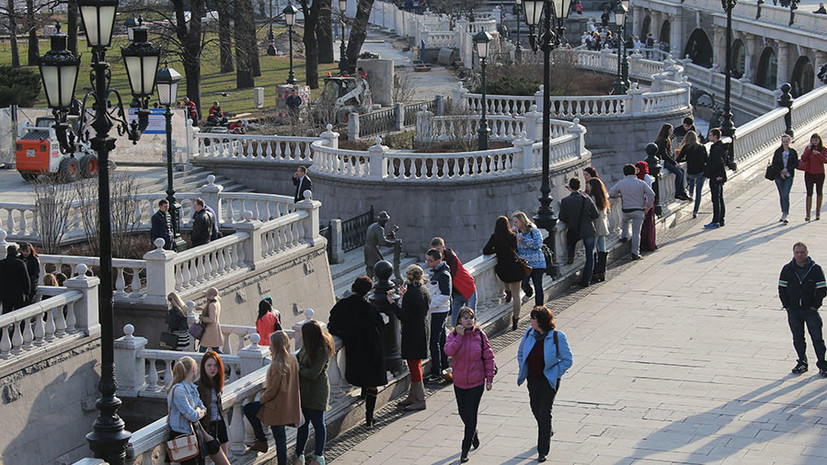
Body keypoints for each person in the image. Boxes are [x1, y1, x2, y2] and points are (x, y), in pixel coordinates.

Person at [327, 276, 388, 427]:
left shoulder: (342, 305)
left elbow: (332, 325)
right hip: (371, 349)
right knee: (372, 382)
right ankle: (369, 417)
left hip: (354, 348)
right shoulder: (370, 309)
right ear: (367, 292)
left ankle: (363, 395)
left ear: (353, 288)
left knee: (359, 374)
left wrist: (345, 334)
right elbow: (380, 328)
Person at [517, 306, 573, 463]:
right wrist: (523, 366)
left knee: (544, 411)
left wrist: (555, 372)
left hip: (549, 380)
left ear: (541, 321)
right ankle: (547, 429)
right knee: (535, 407)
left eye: (533, 318)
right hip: (533, 378)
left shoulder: (557, 337)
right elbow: (521, 353)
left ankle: (542, 450)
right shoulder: (529, 333)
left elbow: (567, 360)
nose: (530, 321)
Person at [443, 307, 495, 463]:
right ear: (459, 320)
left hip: (476, 382)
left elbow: (489, 357)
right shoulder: (453, 335)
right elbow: (448, 351)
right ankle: (474, 432)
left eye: (471, 318)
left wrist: (489, 379)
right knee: (462, 412)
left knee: (471, 415)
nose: (469, 320)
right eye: (465, 318)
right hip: (459, 382)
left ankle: (464, 449)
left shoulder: (480, 335)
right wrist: (459, 337)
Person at [242, 331, 301, 462]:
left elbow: (272, 391)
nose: (269, 347)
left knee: (248, 409)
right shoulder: (292, 360)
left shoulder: (277, 365)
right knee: (281, 440)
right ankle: (262, 442)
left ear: (276, 346)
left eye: (271, 345)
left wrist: (261, 400)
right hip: (287, 405)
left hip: (275, 408)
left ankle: (262, 440)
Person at [779, 242, 827, 376]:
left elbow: (822, 289)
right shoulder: (787, 269)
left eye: (802, 252)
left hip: (811, 311)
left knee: (817, 338)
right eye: (797, 252)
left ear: (807, 253)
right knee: (798, 338)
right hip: (794, 311)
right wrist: (787, 306)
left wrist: (815, 306)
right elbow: (782, 289)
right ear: (793, 253)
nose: (799, 255)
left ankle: (823, 364)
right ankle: (802, 362)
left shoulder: (815, 269)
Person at [390, 264, 431, 410]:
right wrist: (405, 296)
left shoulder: (411, 294)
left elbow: (403, 316)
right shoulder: (424, 289)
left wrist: (393, 304)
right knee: (416, 364)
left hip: (412, 333)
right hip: (422, 329)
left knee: (414, 366)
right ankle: (413, 396)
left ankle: (420, 399)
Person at [294, 320, 335, 465]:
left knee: (318, 423)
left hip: (317, 391)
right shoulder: (308, 344)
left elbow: (313, 373)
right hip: (304, 391)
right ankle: (299, 454)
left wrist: (299, 368)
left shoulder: (322, 349)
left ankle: (319, 456)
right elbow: (298, 357)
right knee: (303, 424)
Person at [483, 216, 526, 330]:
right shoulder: (512, 235)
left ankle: (508, 293)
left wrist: (497, 250)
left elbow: (486, 250)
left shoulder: (495, 237)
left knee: (506, 281)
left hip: (502, 268)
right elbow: (516, 249)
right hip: (514, 267)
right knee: (517, 296)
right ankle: (515, 320)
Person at [608, 164, 656, 260]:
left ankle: (624, 236)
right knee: (636, 233)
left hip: (626, 210)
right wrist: (648, 205)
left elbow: (611, 193)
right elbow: (651, 194)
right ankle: (635, 253)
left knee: (625, 220)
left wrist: (619, 195)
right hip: (638, 210)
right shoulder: (641, 183)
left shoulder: (621, 183)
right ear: (635, 172)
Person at [166, 356, 208, 465]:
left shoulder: (192, 387)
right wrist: (199, 411)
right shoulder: (179, 390)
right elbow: (192, 415)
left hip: (194, 433)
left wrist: (198, 411)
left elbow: (203, 408)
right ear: (194, 369)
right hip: (182, 435)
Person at [430, 237, 476, 328]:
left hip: (468, 288)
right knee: (454, 322)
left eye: (438, 249)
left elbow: (449, 277)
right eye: (434, 250)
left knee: (471, 320)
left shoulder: (451, 258)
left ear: (443, 248)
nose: (436, 252)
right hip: (457, 292)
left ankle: (473, 336)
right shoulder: (437, 261)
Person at [196, 351, 231, 465]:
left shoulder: (217, 383)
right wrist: (204, 433)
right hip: (208, 427)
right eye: (209, 365)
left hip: (220, 425)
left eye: (215, 365)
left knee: (224, 459)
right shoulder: (198, 386)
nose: (213, 369)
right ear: (203, 367)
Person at [424, 248, 452, 384]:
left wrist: (429, 305)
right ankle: (444, 368)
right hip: (439, 310)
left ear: (438, 260)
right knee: (441, 340)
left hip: (439, 311)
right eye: (427, 260)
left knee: (434, 341)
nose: (427, 263)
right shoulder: (438, 272)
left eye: (430, 261)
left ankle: (437, 370)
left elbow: (445, 295)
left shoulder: (443, 274)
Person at [513, 211, 546, 305]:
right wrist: (511, 233)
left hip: (538, 263)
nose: (514, 224)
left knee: (538, 286)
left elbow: (538, 244)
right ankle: (529, 292)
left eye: (516, 222)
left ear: (522, 221)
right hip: (525, 264)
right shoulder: (516, 233)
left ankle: (539, 308)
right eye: (514, 222)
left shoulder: (533, 230)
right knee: (524, 283)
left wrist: (524, 240)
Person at [654, 123, 691, 201]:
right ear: (667, 130)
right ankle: (678, 193)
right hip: (663, 162)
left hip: (666, 160)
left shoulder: (666, 139)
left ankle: (682, 191)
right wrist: (674, 163)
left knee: (681, 171)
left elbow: (668, 154)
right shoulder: (662, 140)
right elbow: (665, 155)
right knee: (679, 173)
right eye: (671, 130)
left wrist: (674, 161)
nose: (672, 131)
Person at [677, 130, 708, 219]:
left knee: (691, 179)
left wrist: (686, 159)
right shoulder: (701, 147)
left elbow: (678, 159)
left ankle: (690, 193)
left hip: (691, 172)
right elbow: (707, 159)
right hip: (701, 172)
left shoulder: (686, 147)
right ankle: (695, 211)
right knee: (699, 192)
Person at [585, 177, 610, 283]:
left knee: (594, 249)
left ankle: (595, 272)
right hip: (603, 226)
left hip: (595, 226)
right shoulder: (602, 197)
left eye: (588, 185)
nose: (587, 187)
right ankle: (602, 272)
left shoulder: (592, 198)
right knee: (602, 248)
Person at [771, 134, 799, 224]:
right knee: (781, 194)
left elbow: (796, 163)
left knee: (786, 194)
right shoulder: (778, 152)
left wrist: (787, 170)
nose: (785, 143)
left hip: (789, 175)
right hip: (779, 176)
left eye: (787, 141)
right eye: (784, 142)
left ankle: (785, 213)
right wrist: (781, 172)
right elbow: (774, 164)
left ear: (789, 142)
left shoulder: (793, 152)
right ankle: (783, 211)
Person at [704, 128, 729, 229]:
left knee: (715, 199)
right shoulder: (722, 147)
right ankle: (721, 219)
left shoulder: (715, 148)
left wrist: (709, 172)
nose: (709, 137)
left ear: (715, 136)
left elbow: (717, 163)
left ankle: (716, 220)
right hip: (721, 176)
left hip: (715, 176)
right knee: (720, 197)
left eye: (710, 135)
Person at [799, 133, 827, 221]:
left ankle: (818, 213)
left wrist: (818, 154)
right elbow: (803, 158)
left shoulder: (823, 149)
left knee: (819, 192)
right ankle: (808, 214)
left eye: (816, 140)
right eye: (813, 140)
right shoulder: (808, 148)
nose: (815, 142)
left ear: (819, 140)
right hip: (809, 173)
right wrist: (809, 150)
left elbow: (825, 160)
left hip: (819, 173)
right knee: (809, 193)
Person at [364, 211, 397, 278]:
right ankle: (377, 281)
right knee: (379, 267)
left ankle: (369, 279)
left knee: (370, 267)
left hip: (367, 249)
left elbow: (377, 239)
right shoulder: (379, 228)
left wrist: (389, 236)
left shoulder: (372, 225)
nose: (386, 224)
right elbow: (383, 242)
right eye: (385, 221)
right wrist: (394, 243)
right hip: (373, 250)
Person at [0, 244, 31, 314]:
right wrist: (27, 293)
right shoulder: (20, 263)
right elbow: (26, 280)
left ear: (7, 252)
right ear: (16, 252)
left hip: (5, 294)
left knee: (6, 313)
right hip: (18, 294)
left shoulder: (1, 263)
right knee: (19, 314)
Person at [635, 162, 657, 253]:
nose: (637, 171)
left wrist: (647, 205)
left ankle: (649, 243)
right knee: (642, 225)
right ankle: (643, 244)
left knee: (648, 223)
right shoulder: (635, 177)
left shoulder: (646, 177)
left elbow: (649, 191)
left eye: (638, 169)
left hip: (646, 202)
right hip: (639, 202)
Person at [197, 288, 224, 353]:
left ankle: (226, 357)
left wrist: (202, 318)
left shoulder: (211, 305)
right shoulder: (217, 303)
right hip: (215, 330)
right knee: (215, 348)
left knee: (202, 349)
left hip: (209, 331)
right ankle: (226, 357)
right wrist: (202, 309)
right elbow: (213, 313)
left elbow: (212, 319)